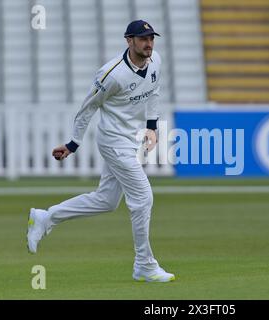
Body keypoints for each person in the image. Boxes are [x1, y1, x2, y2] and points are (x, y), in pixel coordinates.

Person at [26, 20, 175, 283]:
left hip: (131, 140)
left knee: (106, 201)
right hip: (113, 142)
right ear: (129, 40)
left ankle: (46, 216)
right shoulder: (111, 74)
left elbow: (154, 92)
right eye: (142, 39)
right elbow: (88, 108)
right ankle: (144, 264)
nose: (149, 43)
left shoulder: (156, 61)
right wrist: (73, 144)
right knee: (143, 197)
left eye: (151, 38)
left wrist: (152, 127)